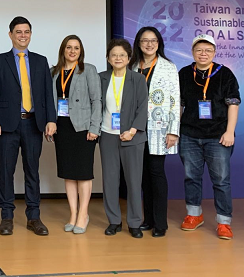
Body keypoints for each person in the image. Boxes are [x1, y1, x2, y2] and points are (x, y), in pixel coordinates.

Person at [0, 16, 57, 236]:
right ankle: (7, 217)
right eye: (18, 32)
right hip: (6, 126)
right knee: (6, 172)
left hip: (33, 124)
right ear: (10, 35)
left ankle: (33, 217)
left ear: (30, 34)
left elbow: (47, 93)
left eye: (26, 32)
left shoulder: (40, 60)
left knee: (32, 172)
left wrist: (51, 120)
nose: (23, 35)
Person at [178, 34, 240, 240]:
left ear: (214, 53)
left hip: (218, 136)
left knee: (221, 180)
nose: (203, 54)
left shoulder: (225, 74)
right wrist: (175, 130)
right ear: (193, 52)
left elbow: (233, 104)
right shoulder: (185, 73)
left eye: (208, 50)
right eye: (199, 50)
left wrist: (229, 131)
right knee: (191, 177)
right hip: (189, 134)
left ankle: (224, 222)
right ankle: (194, 215)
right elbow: (179, 104)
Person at [130, 27, 180, 238]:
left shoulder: (169, 67)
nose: (149, 44)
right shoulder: (132, 66)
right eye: (144, 41)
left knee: (156, 173)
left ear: (159, 43)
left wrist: (173, 131)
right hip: (135, 129)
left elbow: (175, 102)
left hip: (159, 129)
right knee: (142, 177)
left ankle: (160, 223)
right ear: (138, 43)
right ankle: (148, 219)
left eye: (153, 41)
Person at [50, 35, 101, 234]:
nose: (72, 51)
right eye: (69, 47)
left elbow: (97, 100)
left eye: (76, 48)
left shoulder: (88, 70)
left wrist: (94, 128)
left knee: (83, 173)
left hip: (83, 128)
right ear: (63, 50)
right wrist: (50, 124)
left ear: (81, 51)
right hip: (61, 128)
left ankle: (83, 214)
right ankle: (73, 214)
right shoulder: (53, 72)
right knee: (69, 174)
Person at [99, 38, 148, 238]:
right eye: (114, 55)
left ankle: (135, 222)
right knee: (110, 181)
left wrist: (133, 130)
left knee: (134, 181)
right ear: (108, 59)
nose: (118, 58)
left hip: (132, 137)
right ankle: (114, 221)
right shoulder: (101, 78)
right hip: (107, 135)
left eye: (122, 55)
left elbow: (143, 108)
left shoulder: (138, 79)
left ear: (129, 58)